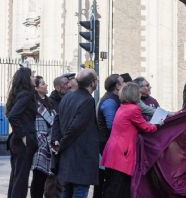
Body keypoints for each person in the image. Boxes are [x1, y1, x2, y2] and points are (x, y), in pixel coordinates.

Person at [101, 83, 161, 198]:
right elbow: (147, 127)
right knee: (120, 185)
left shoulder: (123, 107)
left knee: (112, 184)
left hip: (113, 149)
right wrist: (158, 125)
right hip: (122, 152)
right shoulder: (133, 109)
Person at [54, 69, 99, 198]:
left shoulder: (67, 96)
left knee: (67, 190)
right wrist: (61, 144)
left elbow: (57, 120)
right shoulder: (88, 100)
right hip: (81, 156)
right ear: (92, 83)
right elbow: (76, 128)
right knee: (80, 191)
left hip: (68, 155)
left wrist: (57, 141)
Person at [6, 67, 38, 198]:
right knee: (21, 179)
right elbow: (13, 116)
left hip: (16, 141)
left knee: (16, 177)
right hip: (22, 142)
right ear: (26, 79)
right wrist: (24, 136)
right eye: (32, 76)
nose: (34, 78)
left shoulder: (17, 94)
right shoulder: (27, 94)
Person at [94, 74, 125, 198]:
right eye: (122, 83)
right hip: (107, 145)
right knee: (106, 179)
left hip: (108, 144)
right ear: (117, 86)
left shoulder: (113, 99)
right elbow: (112, 126)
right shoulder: (110, 101)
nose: (124, 85)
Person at [30, 76, 57, 198]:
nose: (46, 85)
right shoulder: (32, 103)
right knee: (38, 178)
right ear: (35, 88)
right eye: (42, 84)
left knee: (47, 177)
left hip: (50, 143)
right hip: (39, 143)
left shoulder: (49, 102)